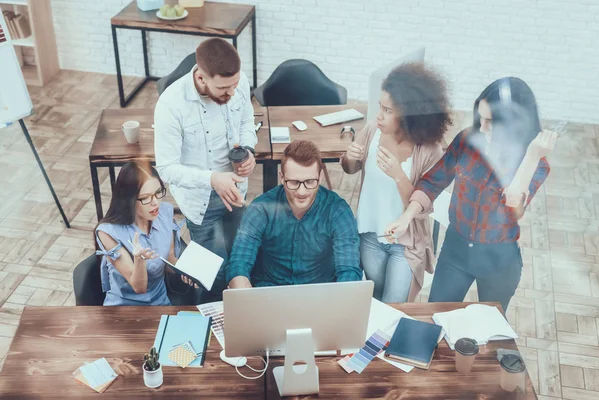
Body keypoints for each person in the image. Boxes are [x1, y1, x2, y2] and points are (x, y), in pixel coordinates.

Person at [386, 77, 557, 312]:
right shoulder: (467, 140)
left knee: (491, 330)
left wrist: (531, 156)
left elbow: (513, 209)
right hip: (456, 250)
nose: (483, 128)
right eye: (481, 118)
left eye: (492, 122)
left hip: (498, 260)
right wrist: (407, 217)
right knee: (435, 316)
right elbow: (433, 181)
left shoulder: (535, 163)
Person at [154, 38, 257, 302]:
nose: (232, 93)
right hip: (200, 202)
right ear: (201, 76)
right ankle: (211, 330)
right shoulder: (171, 104)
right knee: (213, 275)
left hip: (236, 193)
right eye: (223, 88)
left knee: (240, 264)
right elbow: (166, 169)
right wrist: (212, 179)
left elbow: (247, 119)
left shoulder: (238, 81)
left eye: (234, 85)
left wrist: (248, 150)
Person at [340, 63, 452, 303]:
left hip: (406, 244)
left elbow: (424, 206)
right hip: (369, 235)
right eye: (380, 107)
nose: (379, 115)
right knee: (377, 302)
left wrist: (398, 175)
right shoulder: (372, 131)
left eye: (388, 110)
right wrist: (350, 158)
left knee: (394, 308)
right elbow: (350, 169)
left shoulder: (430, 150)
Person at [226, 140, 362, 288]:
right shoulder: (260, 209)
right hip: (270, 294)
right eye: (294, 182)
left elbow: (349, 270)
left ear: (320, 177)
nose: (301, 192)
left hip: (320, 295)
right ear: (282, 177)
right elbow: (239, 261)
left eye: (310, 181)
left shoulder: (338, 211)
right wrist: (242, 287)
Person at [95, 163, 196, 306]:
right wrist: (139, 260)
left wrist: (188, 272)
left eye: (158, 193)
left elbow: (169, 259)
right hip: (123, 307)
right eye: (145, 197)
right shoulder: (108, 232)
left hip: (160, 302)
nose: (155, 202)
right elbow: (139, 287)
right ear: (128, 199)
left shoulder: (164, 213)